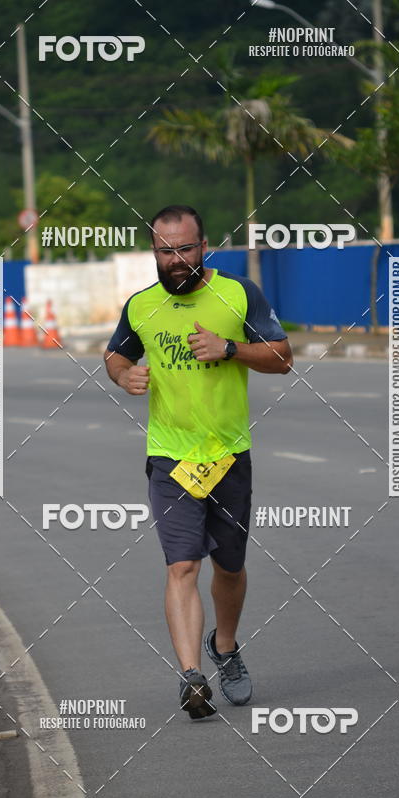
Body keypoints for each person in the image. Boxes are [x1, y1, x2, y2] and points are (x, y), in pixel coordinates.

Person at [105, 205, 293, 719]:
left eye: (185, 248)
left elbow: (282, 357)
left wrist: (230, 348)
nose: (176, 260)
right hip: (169, 458)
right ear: (154, 252)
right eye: (165, 251)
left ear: (203, 245)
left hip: (228, 456)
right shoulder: (140, 306)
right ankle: (191, 676)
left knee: (229, 567)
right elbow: (115, 354)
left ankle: (225, 647)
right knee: (182, 564)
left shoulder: (237, 293)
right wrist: (124, 376)